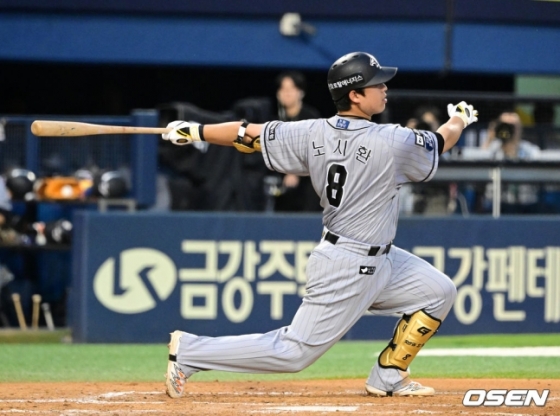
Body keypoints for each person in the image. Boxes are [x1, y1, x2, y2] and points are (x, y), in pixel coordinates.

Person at [161, 51, 478, 398]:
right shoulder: (391, 140)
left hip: (382, 258)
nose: (384, 88)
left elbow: (245, 134)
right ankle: (190, 351)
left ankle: (388, 375)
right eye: (376, 83)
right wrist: (459, 118)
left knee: (439, 291)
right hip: (348, 263)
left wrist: (195, 130)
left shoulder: (310, 131)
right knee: (293, 352)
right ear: (355, 95)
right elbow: (441, 140)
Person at [273, 71, 322, 212]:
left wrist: (296, 172)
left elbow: (317, 150)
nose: (287, 93)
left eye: (291, 89)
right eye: (283, 89)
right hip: (282, 176)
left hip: (308, 178)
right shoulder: (275, 119)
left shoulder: (311, 117)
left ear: (300, 92)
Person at [481, 111, 541, 213]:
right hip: (495, 204)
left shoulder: (530, 150)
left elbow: (540, 165)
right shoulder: (491, 149)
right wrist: (490, 138)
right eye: (505, 126)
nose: (508, 130)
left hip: (525, 205)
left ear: (520, 129)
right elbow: (478, 162)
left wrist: (512, 150)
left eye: (513, 126)